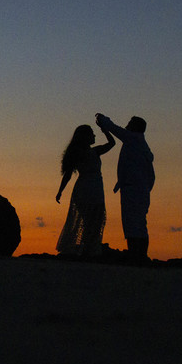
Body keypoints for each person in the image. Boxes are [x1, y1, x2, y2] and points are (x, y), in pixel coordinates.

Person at [95, 113, 155, 263]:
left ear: (135, 127)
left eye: (130, 123)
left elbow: (115, 129)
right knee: (139, 223)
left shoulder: (133, 139)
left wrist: (103, 120)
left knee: (132, 223)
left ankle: (136, 256)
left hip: (133, 190)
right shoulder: (141, 145)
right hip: (141, 190)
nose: (127, 126)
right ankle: (140, 255)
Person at [55, 123, 116, 258]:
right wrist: (60, 191)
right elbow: (68, 174)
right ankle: (88, 251)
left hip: (93, 190)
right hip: (87, 190)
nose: (94, 136)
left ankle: (88, 250)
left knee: (94, 222)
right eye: (92, 134)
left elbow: (112, 143)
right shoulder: (82, 153)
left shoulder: (94, 151)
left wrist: (105, 129)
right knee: (91, 223)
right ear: (85, 137)